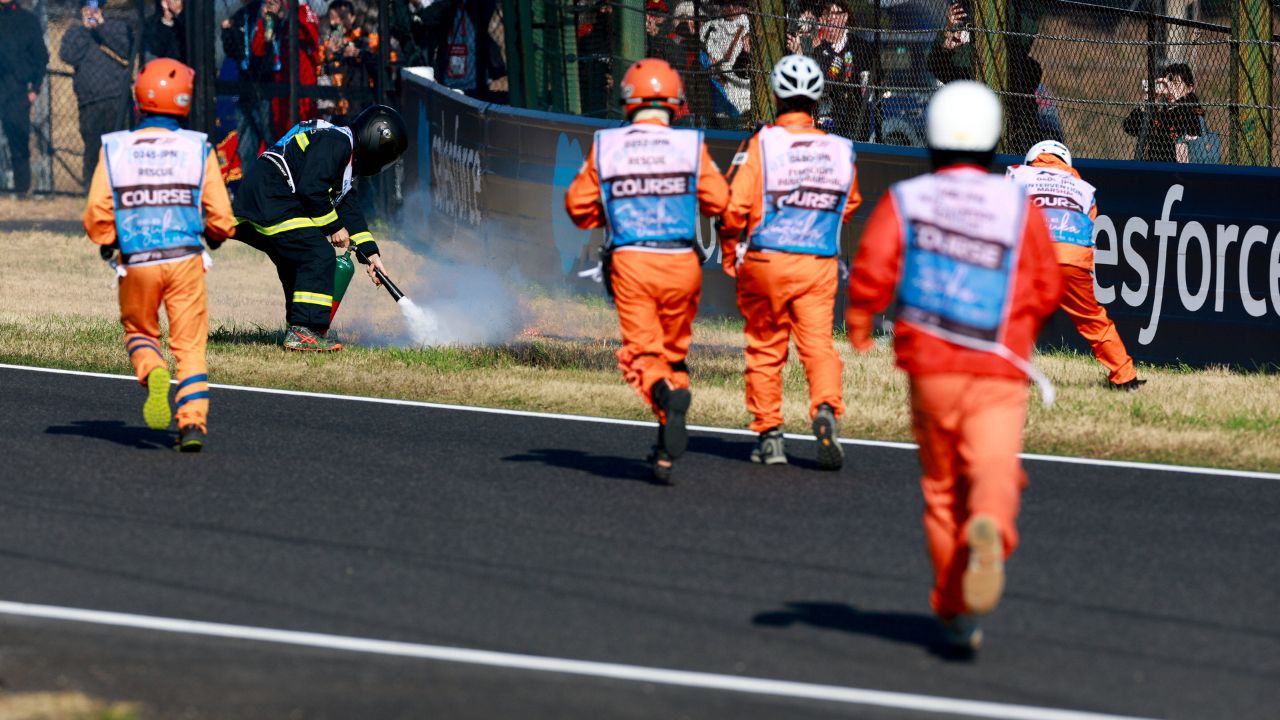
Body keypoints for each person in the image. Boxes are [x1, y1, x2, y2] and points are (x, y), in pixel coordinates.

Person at [845, 81, 1063, 653]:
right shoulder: (1018, 205)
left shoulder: (909, 198)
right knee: (993, 469)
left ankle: (953, 606)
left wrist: (863, 318)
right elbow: (1047, 284)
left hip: (931, 368)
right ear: (994, 140)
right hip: (999, 366)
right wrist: (1020, 331)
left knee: (942, 490)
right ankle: (990, 526)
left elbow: (874, 264)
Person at [564, 58, 729, 483]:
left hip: (632, 262)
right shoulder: (690, 145)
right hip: (682, 263)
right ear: (675, 102)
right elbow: (719, 201)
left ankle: (662, 395)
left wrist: (612, 204)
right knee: (673, 354)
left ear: (628, 100)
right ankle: (664, 452)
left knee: (641, 353)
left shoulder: (609, 146)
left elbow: (577, 208)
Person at [83, 59, 236, 451]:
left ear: (140, 97)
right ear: (183, 101)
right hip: (185, 258)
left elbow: (97, 214)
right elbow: (220, 215)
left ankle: (152, 370)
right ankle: (192, 425)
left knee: (139, 331)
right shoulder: (197, 147)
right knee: (189, 345)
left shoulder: (115, 147)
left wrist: (108, 238)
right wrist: (217, 235)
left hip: (137, 259)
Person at [718, 54, 861, 470]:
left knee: (765, 349)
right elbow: (848, 203)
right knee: (818, 347)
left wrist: (731, 252)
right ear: (817, 99)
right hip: (818, 262)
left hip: (768, 259)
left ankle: (770, 436)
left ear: (778, 96)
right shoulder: (839, 148)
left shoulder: (761, 143)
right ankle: (826, 411)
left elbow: (732, 208)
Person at [232, 104, 408, 351]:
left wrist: (371, 254)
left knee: (296, 260)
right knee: (317, 254)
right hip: (271, 197)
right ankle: (305, 330)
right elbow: (310, 188)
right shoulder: (337, 142)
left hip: (264, 199)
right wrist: (333, 227)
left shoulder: (342, 152)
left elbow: (346, 205)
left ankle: (302, 327)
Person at [1006, 140, 1145, 390]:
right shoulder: (1083, 188)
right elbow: (1089, 230)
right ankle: (1125, 378)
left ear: (1032, 159)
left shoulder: (1016, 175)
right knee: (1092, 318)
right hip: (1071, 256)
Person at [927, 1, 1053, 154]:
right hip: (972, 133)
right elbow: (934, 65)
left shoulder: (1021, 63)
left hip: (1016, 133)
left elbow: (1025, 37)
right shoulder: (962, 59)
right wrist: (946, 42)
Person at [59, 0, 135, 189]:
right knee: (93, 150)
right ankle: (92, 191)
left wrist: (102, 27)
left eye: (95, 8)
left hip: (116, 98)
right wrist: (86, 31)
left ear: (102, 9)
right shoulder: (75, 32)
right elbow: (69, 56)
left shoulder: (116, 28)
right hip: (89, 101)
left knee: (119, 149)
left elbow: (126, 50)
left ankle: (122, 190)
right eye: (86, 9)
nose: (91, 12)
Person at [0, 0, 49, 195]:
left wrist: (34, 88)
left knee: (18, 139)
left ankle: (22, 189)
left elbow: (41, 57)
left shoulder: (27, 21)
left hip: (17, 89)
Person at [809, 0, 873, 140]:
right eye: (826, 13)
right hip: (819, 123)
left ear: (845, 17)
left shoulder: (862, 47)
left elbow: (871, 81)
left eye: (835, 14)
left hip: (852, 123)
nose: (830, 18)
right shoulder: (815, 45)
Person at [1122, 63, 1203, 163]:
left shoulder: (1194, 109)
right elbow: (1129, 127)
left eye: (1176, 83)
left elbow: (1191, 129)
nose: (1170, 88)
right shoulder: (1161, 113)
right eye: (1167, 83)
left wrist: (1176, 99)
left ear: (1190, 88)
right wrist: (1147, 104)